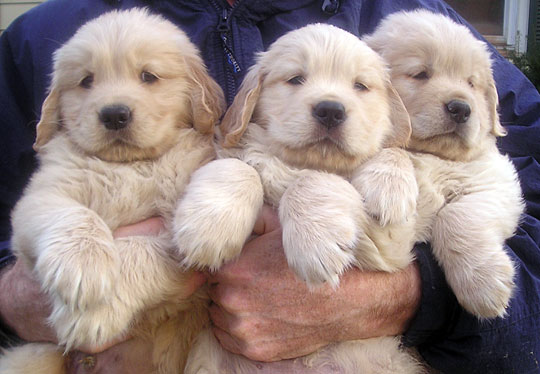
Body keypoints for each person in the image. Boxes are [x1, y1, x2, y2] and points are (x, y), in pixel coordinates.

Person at [0, 0, 538, 373]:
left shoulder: (420, 24)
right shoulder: (37, 40)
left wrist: (417, 301)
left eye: (148, 77)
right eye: (295, 80)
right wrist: (12, 296)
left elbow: (508, 204)